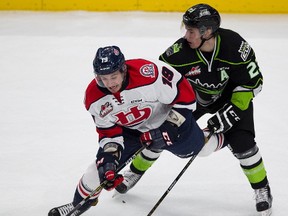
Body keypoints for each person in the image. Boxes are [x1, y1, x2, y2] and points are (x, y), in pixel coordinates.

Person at [115, 3, 273, 215]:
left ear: (207, 31)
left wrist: (233, 110)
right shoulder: (179, 53)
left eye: (191, 31)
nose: (186, 35)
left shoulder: (235, 46)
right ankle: (134, 172)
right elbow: (159, 80)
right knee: (161, 130)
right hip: (193, 98)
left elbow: (254, 82)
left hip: (230, 97)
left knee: (243, 143)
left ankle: (262, 189)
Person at [48, 45, 225, 216]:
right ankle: (78, 205)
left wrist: (169, 127)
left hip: (170, 121)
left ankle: (223, 137)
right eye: (102, 78)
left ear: (123, 70)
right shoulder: (94, 97)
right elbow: (109, 133)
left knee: (201, 149)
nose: (109, 83)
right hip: (132, 131)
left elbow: (186, 97)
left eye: (113, 76)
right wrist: (109, 159)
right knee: (97, 171)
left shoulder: (150, 73)